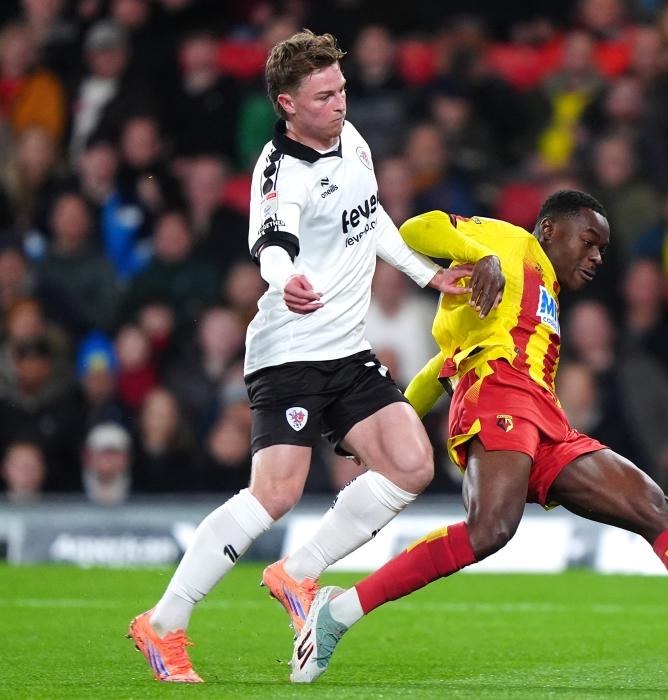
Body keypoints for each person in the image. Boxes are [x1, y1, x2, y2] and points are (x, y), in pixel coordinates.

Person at [287, 191, 668, 684]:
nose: (597, 256)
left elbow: (442, 364)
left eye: (602, 248)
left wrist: (395, 421)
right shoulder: (509, 242)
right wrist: (481, 255)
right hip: (498, 393)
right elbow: (416, 229)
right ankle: (337, 614)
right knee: (491, 529)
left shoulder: (543, 291)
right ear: (550, 228)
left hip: (546, 419)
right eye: (589, 241)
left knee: (655, 508)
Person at [128, 30, 476, 683]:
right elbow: (273, 243)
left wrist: (428, 275)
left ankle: (298, 572)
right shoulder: (279, 170)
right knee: (275, 494)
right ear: (287, 104)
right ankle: (163, 623)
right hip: (290, 349)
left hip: (345, 348)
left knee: (411, 464)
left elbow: (370, 218)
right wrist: (284, 279)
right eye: (323, 96)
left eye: (341, 89)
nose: (339, 103)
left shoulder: (352, 139)